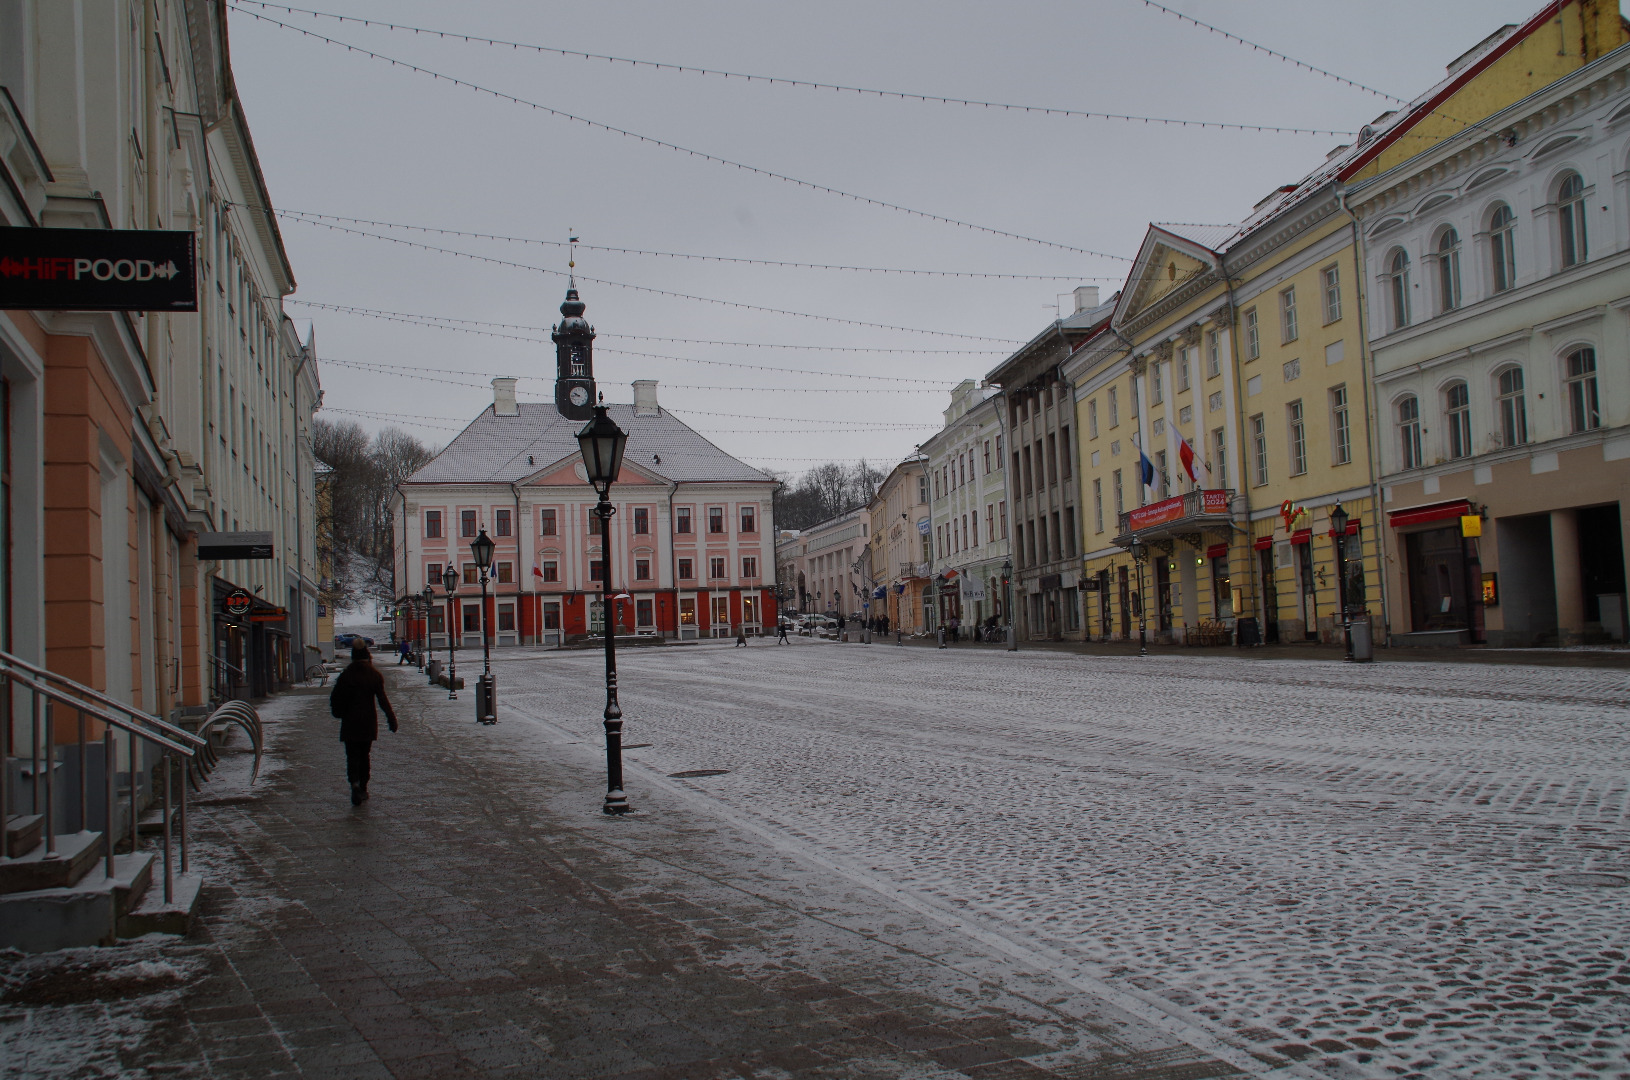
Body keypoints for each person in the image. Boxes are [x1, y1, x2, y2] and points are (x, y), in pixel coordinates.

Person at [329, 644, 398, 806]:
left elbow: (335, 698)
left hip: (349, 723)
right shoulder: (374, 675)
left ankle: (354, 783)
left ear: (353, 656)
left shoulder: (346, 675)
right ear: (367, 656)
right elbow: (382, 700)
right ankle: (363, 787)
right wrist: (391, 719)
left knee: (352, 756)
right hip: (367, 723)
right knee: (364, 755)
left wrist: (338, 712)